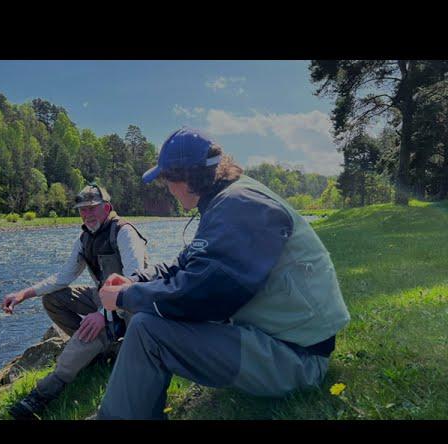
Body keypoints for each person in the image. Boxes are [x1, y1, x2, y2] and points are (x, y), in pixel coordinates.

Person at [96, 127, 350, 420]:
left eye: (167, 179)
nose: (166, 187)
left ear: (188, 177)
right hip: (280, 344)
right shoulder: (230, 199)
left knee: (147, 331)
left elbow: (201, 295)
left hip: (297, 360)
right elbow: (185, 265)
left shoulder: (239, 206)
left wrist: (127, 296)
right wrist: (136, 280)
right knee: (146, 320)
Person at [2, 184, 147, 420]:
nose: (87, 214)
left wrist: (103, 314)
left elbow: (136, 280)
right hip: (103, 299)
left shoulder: (124, 232)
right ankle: (102, 350)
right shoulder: (84, 238)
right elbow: (63, 277)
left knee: (82, 342)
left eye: (92, 208)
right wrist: (23, 294)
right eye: (82, 210)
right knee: (53, 299)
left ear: (107, 208)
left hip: (130, 304)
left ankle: (43, 393)